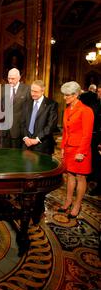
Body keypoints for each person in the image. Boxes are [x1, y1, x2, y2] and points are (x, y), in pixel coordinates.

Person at [59, 81, 94, 218]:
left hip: (80, 150)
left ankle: (77, 204)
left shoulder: (86, 111)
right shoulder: (67, 110)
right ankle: (68, 201)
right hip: (68, 148)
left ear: (75, 95)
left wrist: (82, 152)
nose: (64, 97)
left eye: (67, 95)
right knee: (70, 175)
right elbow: (65, 132)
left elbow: (87, 134)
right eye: (64, 95)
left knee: (80, 177)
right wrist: (62, 147)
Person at [21, 80, 58, 155]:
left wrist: (37, 139)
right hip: (27, 144)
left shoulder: (51, 104)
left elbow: (51, 125)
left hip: (43, 145)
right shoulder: (26, 103)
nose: (33, 94)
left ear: (42, 91)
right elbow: (22, 123)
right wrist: (26, 138)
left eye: (36, 91)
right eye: (31, 91)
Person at [1, 68, 30, 148]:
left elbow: (29, 110)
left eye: (12, 79)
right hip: (4, 131)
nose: (10, 81)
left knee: (16, 156)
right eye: (9, 78)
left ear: (19, 78)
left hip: (18, 130)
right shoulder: (3, 89)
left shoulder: (27, 89)